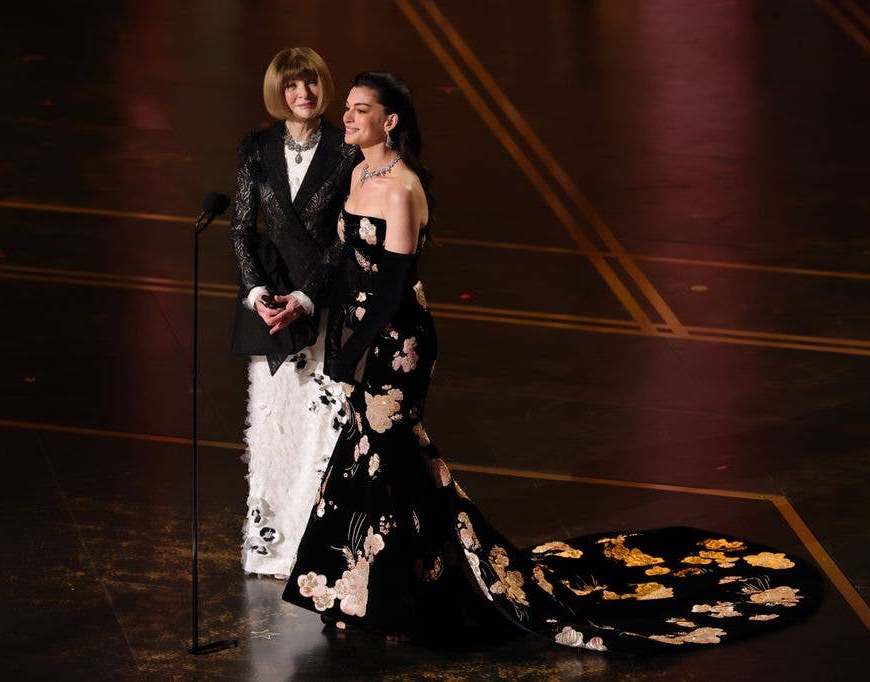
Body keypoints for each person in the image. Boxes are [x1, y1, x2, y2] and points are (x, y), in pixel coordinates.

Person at [282, 71, 822, 654]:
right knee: (382, 461)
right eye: (350, 109)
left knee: (386, 457)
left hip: (397, 344)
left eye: (362, 110)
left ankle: (400, 598)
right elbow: (345, 258)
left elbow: (392, 286)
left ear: (390, 122)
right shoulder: (360, 173)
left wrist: (350, 354)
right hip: (363, 336)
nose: (348, 117)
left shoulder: (400, 188)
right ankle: (366, 594)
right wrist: (307, 307)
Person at [229, 47, 358, 579]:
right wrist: (258, 292)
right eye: (291, 87)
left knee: (321, 427)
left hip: (323, 307)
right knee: (274, 427)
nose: (302, 95)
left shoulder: (346, 150)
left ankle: (315, 545)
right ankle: (270, 544)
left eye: (310, 85)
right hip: (270, 308)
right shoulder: (256, 148)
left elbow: (345, 236)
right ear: (277, 93)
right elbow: (242, 227)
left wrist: (306, 297)